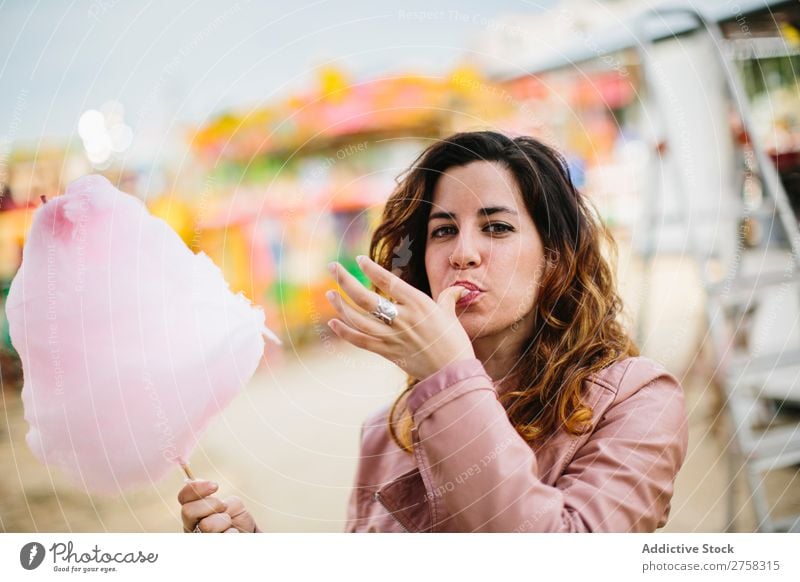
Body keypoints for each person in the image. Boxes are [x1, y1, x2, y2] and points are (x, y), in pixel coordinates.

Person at [178, 131, 688, 533]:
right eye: (443, 231)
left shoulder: (637, 400)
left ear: (554, 257)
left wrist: (450, 376)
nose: (463, 252)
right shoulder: (388, 430)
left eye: (497, 227)